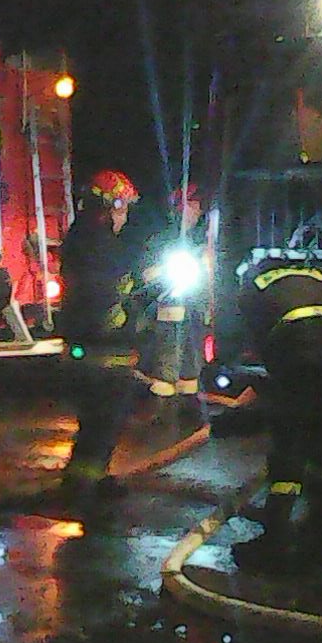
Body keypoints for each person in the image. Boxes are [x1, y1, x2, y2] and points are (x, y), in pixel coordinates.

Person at [231, 249, 322, 572]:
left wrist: (269, 386)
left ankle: (274, 538)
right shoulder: (314, 275)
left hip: (296, 350)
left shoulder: (253, 283)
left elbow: (257, 340)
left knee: (287, 443)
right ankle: (317, 526)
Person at [58, 168, 145, 497]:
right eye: (123, 208)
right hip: (104, 347)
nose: (126, 217)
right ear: (111, 207)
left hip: (86, 344)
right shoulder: (101, 246)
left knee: (94, 420)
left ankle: (85, 478)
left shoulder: (82, 239)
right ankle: (87, 486)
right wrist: (143, 294)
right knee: (105, 420)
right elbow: (111, 294)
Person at [135, 183, 210, 426]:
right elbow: (146, 274)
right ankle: (160, 412)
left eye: (198, 205)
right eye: (192, 204)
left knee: (191, 363)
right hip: (169, 309)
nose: (197, 210)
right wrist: (166, 271)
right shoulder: (162, 241)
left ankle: (188, 411)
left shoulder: (201, 239)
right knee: (167, 361)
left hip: (195, 309)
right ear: (179, 207)